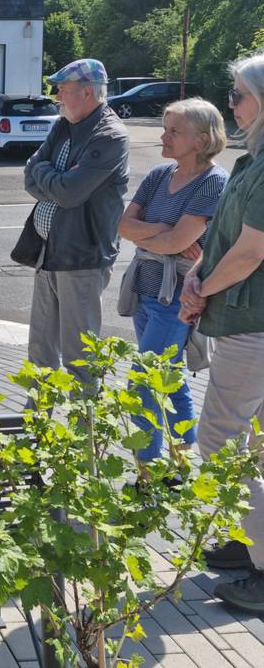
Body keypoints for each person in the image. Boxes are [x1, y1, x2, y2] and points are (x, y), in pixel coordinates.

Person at [178, 52, 264, 612]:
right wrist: (196, 273)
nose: (230, 103)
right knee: (252, 444)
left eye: (238, 94)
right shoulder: (250, 161)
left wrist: (203, 288)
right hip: (239, 318)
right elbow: (224, 240)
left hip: (252, 325)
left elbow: (252, 252)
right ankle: (245, 541)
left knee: (217, 439)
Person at [117, 99, 227, 467]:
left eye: (173, 130)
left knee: (143, 381)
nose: (163, 136)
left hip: (176, 299)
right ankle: (181, 463)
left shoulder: (213, 182)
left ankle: (148, 470)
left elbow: (176, 243)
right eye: (165, 128)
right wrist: (163, 232)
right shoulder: (158, 175)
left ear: (201, 139)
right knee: (171, 378)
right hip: (145, 289)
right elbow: (123, 225)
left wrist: (157, 236)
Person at [23, 58, 129, 391]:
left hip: (81, 259)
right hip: (49, 253)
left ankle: (85, 439)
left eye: (63, 90)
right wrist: (52, 175)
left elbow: (69, 193)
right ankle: (37, 432)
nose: (56, 97)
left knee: (80, 359)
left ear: (87, 93)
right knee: (40, 353)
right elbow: (30, 173)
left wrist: (48, 174)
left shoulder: (109, 135)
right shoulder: (64, 124)